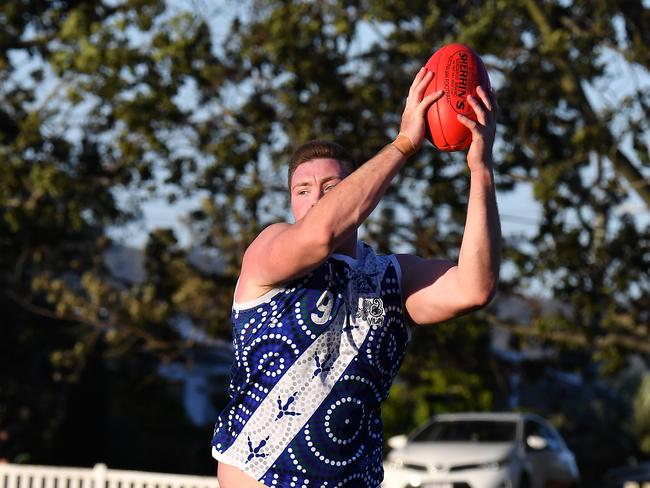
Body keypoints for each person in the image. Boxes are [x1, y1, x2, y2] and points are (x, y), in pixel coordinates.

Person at [211, 67, 501, 487]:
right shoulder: (268, 252)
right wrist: (403, 143)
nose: (315, 199)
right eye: (303, 190)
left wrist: (481, 170)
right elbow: (319, 236)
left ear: (357, 193)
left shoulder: (389, 279)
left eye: (332, 187)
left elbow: (474, 288)